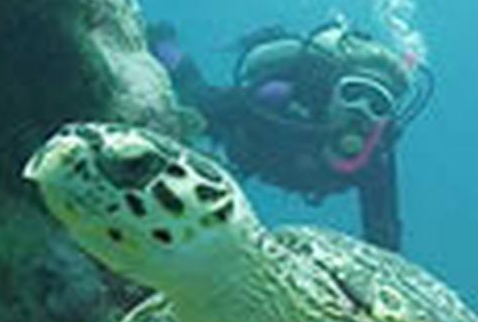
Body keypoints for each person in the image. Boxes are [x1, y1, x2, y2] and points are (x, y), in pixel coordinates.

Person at [149, 21, 432, 251]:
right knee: (193, 97)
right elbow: (215, 108)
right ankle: (164, 44)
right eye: (353, 92)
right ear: (333, 88)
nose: (360, 110)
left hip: (274, 165)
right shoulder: (281, 98)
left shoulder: (373, 157)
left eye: (377, 105)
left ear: (385, 120)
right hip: (243, 141)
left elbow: (383, 231)